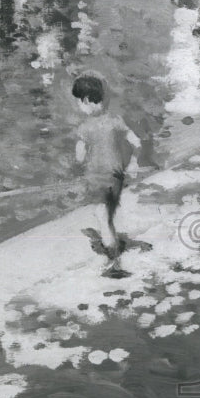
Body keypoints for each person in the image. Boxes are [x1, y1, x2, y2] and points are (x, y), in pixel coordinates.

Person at [72, 73, 139, 278]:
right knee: (107, 216)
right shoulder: (115, 120)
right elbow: (136, 142)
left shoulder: (84, 127)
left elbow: (80, 157)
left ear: (85, 101)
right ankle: (114, 253)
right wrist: (134, 162)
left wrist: (80, 154)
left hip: (98, 179)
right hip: (117, 177)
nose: (79, 107)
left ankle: (114, 262)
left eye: (79, 103)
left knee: (102, 218)